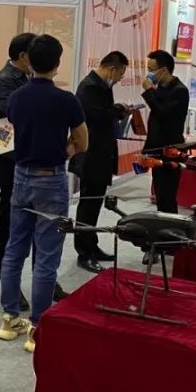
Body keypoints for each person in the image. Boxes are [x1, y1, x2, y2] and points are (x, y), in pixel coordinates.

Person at [0, 35, 87, 353]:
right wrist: (67, 148)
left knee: (14, 250)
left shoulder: (16, 97)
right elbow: (83, 141)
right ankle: (37, 327)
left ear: (29, 60)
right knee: (47, 256)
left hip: (21, 176)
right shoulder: (66, 100)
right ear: (58, 63)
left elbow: (12, 130)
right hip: (51, 180)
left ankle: (9, 319)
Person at [0, 33, 66, 306]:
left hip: (31, 160)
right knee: (11, 229)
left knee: (42, 227)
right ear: (24, 56)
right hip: (13, 163)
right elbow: (11, 118)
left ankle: (44, 281)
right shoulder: (6, 80)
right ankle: (10, 286)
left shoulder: (26, 79)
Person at [72, 51, 130, 273]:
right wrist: (117, 111)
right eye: (121, 73)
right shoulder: (89, 87)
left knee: (95, 203)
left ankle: (92, 245)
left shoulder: (103, 87)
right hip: (91, 154)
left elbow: (105, 114)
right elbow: (95, 117)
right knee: (87, 205)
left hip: (102, 153)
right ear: (111, 68)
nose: (120, 78)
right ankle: (83, 252)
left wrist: (117, 111)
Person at [141, 50, 190, 217]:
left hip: (171, 149)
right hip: (157, 148)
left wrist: (149, 92)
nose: (149, 74)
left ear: (163, 70)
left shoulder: (179, 90)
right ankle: (162, 226)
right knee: (160, 195)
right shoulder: (160, 88)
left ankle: (171, 228)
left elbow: (163, 113)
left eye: (151, 69)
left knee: (168, 196)